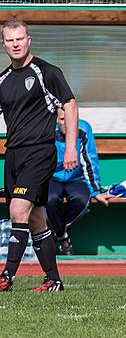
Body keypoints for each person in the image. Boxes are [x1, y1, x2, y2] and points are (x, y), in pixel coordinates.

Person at [0, 19, 76, 292]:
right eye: (10, 40)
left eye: (20, 38)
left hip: (40, 152)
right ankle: (53, 280)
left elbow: (70, 104)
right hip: (14, 156)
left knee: (17, 210)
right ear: (4, 44)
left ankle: (6, 276)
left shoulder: (46, 72)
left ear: (28, 40)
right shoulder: (4, 80)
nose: (16, 44)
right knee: (35, 218)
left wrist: (69, 147)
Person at [46, 107, 110, 255]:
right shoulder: (48, 130)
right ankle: (63, 237)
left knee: (82, 199)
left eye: (70, 119)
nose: (66, 123)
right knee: (49, 199)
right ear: (56, 118)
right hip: (52, 178)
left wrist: (95, 190)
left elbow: (89, 161)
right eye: (62, 119)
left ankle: (57, 233)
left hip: (76, 178)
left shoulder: (83, 129)